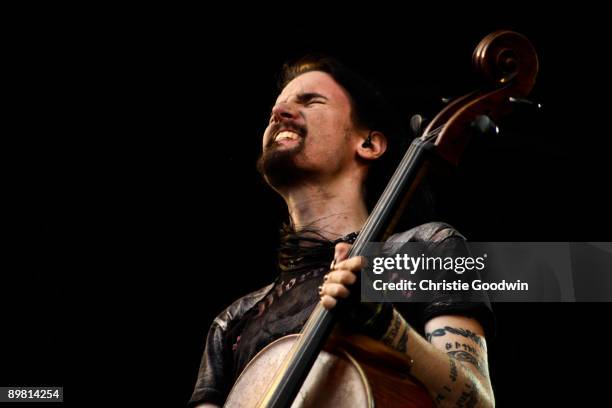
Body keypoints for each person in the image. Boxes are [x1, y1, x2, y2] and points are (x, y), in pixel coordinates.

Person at [189, 56, 495, 408]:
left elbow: (478, 401)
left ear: (368, 144)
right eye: (277, 107)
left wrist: (386, 324)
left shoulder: (428, 248)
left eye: (310, 101)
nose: (280, 113)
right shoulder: (234, 321)